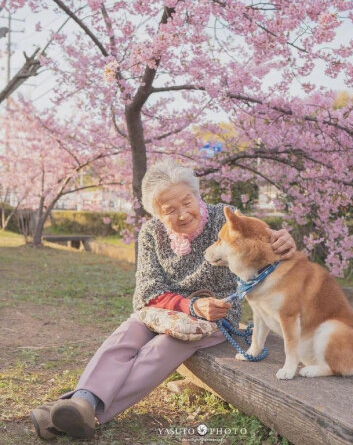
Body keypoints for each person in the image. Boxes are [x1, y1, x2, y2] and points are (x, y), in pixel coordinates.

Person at [30, 159, 296, 440]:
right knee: (127, 333)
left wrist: (282, 241)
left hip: (214, 317)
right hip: (165, 309)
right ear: (157, 213)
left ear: (197, 194)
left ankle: (76, 412)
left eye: (187, 201)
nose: (182, 214)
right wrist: (188, 305)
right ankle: (82, 402)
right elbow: (148, 289)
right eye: (170, 210)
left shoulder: (226, 219)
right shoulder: (151, 233)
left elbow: (264, 241)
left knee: (164, 346)